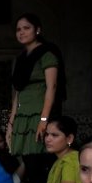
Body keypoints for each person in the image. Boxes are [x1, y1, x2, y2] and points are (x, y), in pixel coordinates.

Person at [6, 13, 67, 156]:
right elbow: (18, 92)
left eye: (26, 28)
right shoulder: (21, 59)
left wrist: (44, 119)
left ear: (37, 30)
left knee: (38, 155)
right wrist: (10, 124)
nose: (21, 32)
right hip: (22, 115)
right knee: (22, 157)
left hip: (39, 112)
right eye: (18, 30)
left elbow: (52, 87)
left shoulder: (47, 54)